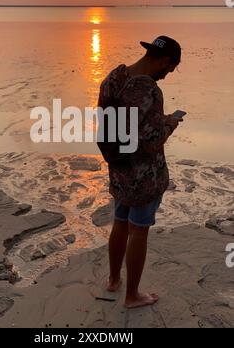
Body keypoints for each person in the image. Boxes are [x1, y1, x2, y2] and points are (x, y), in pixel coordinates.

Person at [98, 36, 183, 309]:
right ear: (164, 61)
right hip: (144, 175)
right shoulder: (149, 92)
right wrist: (170, 124)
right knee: (140, 230)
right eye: (170, 69)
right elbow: (152, 140)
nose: (167, 76)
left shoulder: (112, 78)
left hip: (119, 166)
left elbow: (106, 123)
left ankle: (113, 280)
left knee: (120, 221)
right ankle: (132, 295)